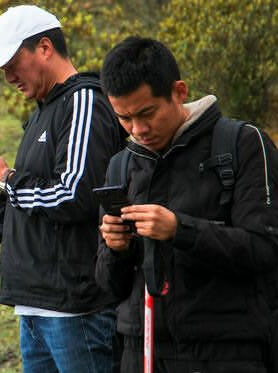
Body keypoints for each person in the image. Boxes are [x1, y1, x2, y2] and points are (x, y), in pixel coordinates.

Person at [0, 5, 123, 373]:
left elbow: (73, 195)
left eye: (13, 62)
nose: (9, 76)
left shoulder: (83, 101)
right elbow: (29, 200)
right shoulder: (43, 110)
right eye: (3, 69)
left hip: (75, 308)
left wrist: (7, 178)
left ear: (45, 47)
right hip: (36, 306)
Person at [95, 36, 278, 372]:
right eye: (124, 118)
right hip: (141, 352)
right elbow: (110, 287)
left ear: (179, 91)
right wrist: (115, 248)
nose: (138, 129)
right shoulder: (120, 165)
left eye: (147, 113)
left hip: (228, 352)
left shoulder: (243, 144)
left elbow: (266, 250)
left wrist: (181, 230)